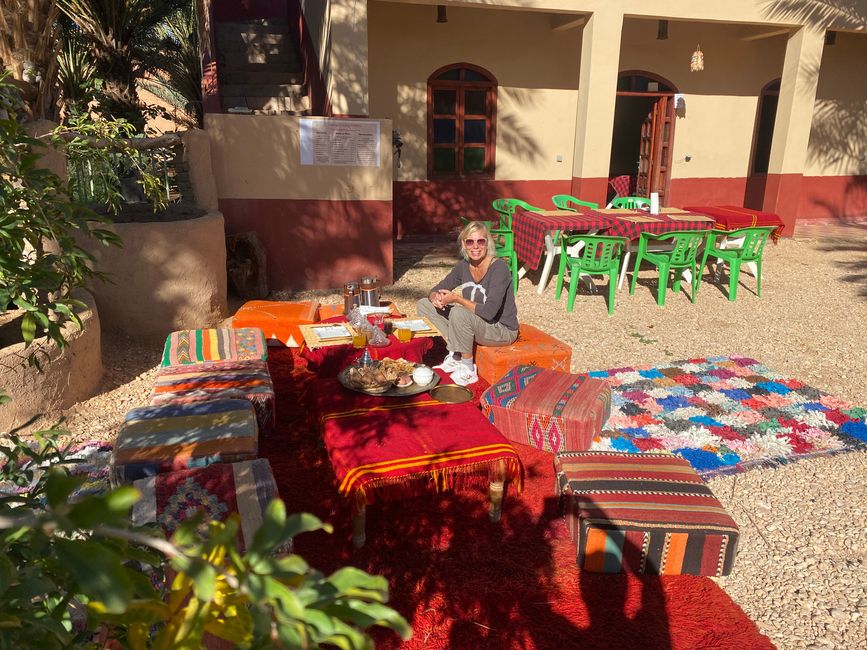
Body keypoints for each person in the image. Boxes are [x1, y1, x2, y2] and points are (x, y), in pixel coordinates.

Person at [416, 220, 519, 385]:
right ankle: (456, 353)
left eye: (480, 241)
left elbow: (489, 312)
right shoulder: (464, 266)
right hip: (475, 321)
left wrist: (456, 299)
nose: (475, 246)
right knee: (424, 304)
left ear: (488, 243)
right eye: (470, 241)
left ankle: (468, 369)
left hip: (501, 329)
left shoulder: (499, 268)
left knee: (458, 311)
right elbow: (436, 288)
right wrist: (435, 297)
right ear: (464, 244)